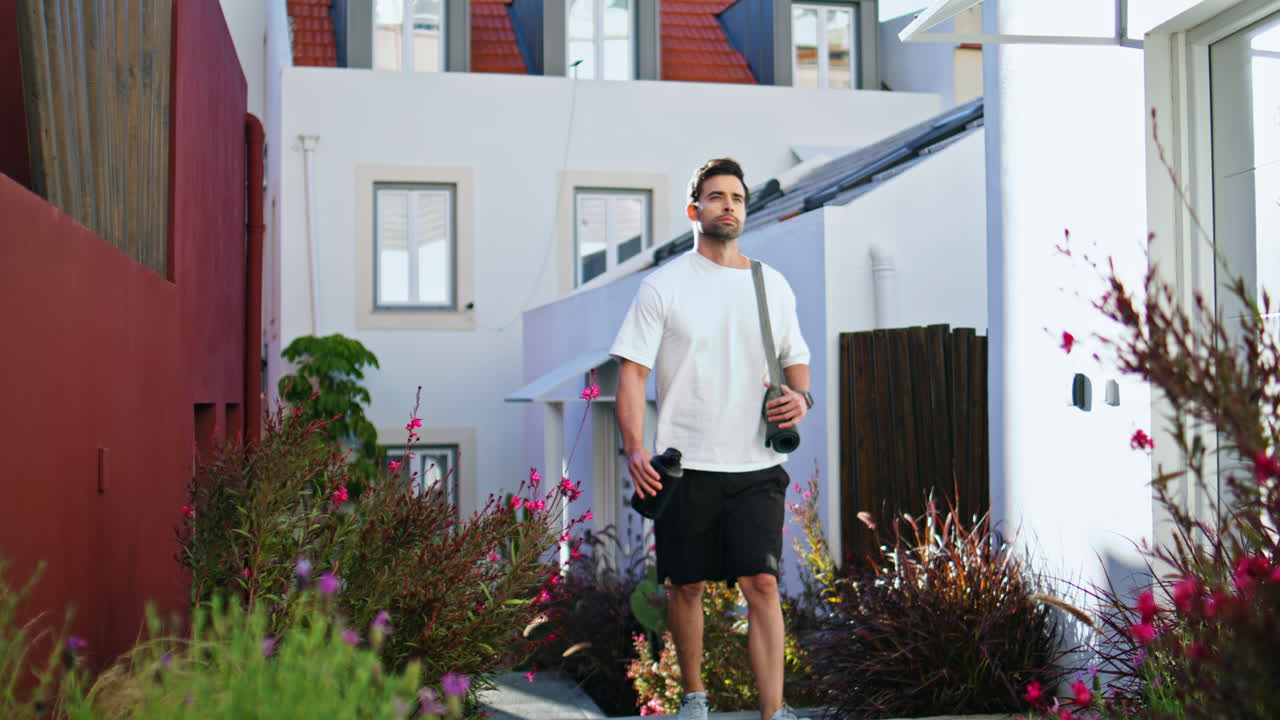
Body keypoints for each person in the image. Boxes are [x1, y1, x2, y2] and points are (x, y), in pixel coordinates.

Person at [609, 158, 813, 720]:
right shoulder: (664, 286)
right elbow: (632, 372)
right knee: (686, 587)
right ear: (694, 210)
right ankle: (694, 698)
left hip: (756, 463)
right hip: (687, 463)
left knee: (763, 584)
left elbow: (797, 364)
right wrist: (633, 446)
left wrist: (801, 399)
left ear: (745, 210)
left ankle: (776, 711)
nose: (728, 205)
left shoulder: (770, 284)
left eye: (738, 198)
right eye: (717, 196)